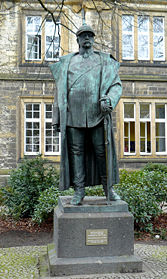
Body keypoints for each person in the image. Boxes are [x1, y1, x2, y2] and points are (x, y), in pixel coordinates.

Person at [50, 23, 122, 205]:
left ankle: (108, 189)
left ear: (94, 38)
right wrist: (56, 117)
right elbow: (59, 92)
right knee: (76, 153)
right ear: (78, 40)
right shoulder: (66, 62)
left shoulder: (105, 61)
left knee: (102, 153)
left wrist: (110, 100)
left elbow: (116, 86)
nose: (87, 38)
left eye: (90, 35)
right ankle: (79, 191)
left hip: (97, 116)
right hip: (73, 116)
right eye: (83, 36)